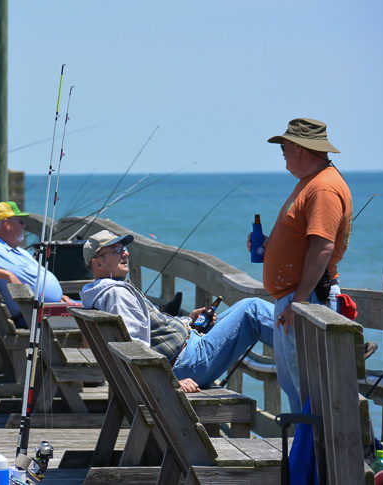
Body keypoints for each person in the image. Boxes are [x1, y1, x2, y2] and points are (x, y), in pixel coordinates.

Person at [81, 229, 281, 395]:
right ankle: (304, 341)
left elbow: (144, 334)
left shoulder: (107, 291)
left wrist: (187, 321)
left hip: (187, 351)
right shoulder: (117, 295)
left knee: (245, 305)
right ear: (97, 263)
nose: (125, 253)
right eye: (116, 250)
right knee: (252, 309)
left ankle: (298, 340)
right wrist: (170, 383)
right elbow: (135, 348)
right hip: (188, 363)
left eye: (124, 248)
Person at [259, 118, 353, 413]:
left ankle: (311, 456)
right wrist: (267, 247)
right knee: (297, 386)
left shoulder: (323, 188)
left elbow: (322, 247)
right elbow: (304, 241)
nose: (283, 153)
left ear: (299, 148)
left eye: (285, 147)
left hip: (307, 299)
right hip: (297, 298)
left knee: (306, 391)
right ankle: (306, 454)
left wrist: (298, 304)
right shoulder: (311, 183)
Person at [0, 201, 70, 326]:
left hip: (53, 309)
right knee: (95, 316)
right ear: (6, 224)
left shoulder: (14, 249)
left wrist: (59, 296)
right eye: (20, 221)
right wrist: (7, 274)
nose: (24, 225)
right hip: (36, 318)